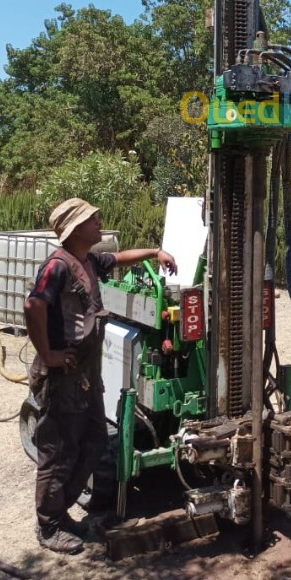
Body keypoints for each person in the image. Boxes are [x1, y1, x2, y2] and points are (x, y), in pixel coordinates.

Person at [24, 197, 178, 554]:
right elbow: (33, 306)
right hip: (62, 375)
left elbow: (118, 259)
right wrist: (48, 353)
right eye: (93, 220)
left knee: (94, 442)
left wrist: (155, 252)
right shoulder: (57, 267)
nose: (99, 223)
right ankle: (48, 526)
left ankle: (61, 512)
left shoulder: (87, 261)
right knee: (59, 451)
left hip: (85, 376)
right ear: (75, 229)